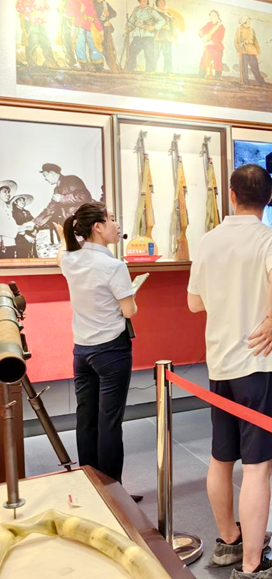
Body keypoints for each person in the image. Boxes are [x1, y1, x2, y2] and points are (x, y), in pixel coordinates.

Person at [187, 164, 272, 579]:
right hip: (260, 363)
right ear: (268, 198)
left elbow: (194, 303)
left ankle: (229, 541)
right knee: (258, 466)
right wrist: (271, 318)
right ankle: (252, 564)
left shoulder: (208, 240)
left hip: (221, 363)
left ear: (231, 195)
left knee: (221, 457)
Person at [56, 203, 138, 493]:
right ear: (98, 227)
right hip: (111, 351)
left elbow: (62, 252)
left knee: (86, 420)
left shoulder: (70, 260)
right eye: (112, 219)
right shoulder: (114, 266)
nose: (117, 224)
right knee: (110, 423)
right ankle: (113, 492)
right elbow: (129, 311)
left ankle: (91, 487)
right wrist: (130, 296)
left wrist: (64, 237)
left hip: (82, 350)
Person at [33, 163, 93, 240]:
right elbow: (50, 209)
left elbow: (84, 196)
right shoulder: (56, 190)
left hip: (83, 223)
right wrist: (34, 222)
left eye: (45, 175)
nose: (45, 179)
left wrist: (62, 198)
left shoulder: (71, 179)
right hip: (72, 226)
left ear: (51, 173)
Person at [15, 0, 59, 69]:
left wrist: (43, 9)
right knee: (32, 44)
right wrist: (31, 10)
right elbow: (19, 7)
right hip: (30, 22)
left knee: (46, 43)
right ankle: (32, 65)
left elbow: (47, 7)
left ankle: (50, 63)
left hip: (40, 22)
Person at [65, 0, 104, 72]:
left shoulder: (90, 2)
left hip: (90, 27)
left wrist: (100, 29)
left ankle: (98, 64)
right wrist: (79, 11)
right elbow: (67, 12)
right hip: (79, 26)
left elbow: (94, 16)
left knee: (94, 44)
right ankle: (83, 64)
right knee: (80, 45)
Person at [126, 0, 165, 73]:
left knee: (149, 54)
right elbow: (131, 20)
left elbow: (162, 21)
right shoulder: (136, 10)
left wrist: (154, 27)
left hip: (148, 36)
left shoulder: (151, 10)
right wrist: (128, 26)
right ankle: (130, 69)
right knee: (132, 52)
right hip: (137, 36)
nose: (143, 1)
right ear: (139, 1)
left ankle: (150, 71)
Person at [92, 0, 118, 72]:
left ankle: (113, 66)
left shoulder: (105, 3)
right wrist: (103, 23)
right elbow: (93, 18)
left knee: (108, 47)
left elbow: (114, 13)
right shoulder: (92, 4)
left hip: (106, 29)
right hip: (96, 29)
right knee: (97, 48)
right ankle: (98, 67)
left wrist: (108, 15)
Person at [235, 16, 265, 85]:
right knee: (244, 68)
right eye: (248, 20)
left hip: (252, 51)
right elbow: (236, 41)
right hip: (243, 51)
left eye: (250, 21)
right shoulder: (239, 29)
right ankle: (246, 82)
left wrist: (258, 52)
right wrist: (238, 50)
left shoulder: (252, 30)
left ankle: (261, 82)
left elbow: (255, 41)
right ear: (245, 21)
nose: (250, 22)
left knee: (255, 68)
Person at [199, 10, 225, 79]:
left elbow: (218, 39)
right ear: (210, 16)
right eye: (211, 15)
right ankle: (201, 75)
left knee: (217, 62)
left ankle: (217, 77)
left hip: (217, 47)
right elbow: (202, 31)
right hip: (208, 47)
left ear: (218, 16)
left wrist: (207, 43)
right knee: (204, 60)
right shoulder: (208, 24)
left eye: (215, 15)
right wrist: (200, 33)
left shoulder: (221, 27)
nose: (213, 16)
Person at [154, 0, 176, 74]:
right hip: (158, 37)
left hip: (167, 38)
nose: (162, 4)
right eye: (160, 3)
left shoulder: (168, 14)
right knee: (155, 54)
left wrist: (174, 36)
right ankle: (151, 70)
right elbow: (153, 25)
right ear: (157, 5)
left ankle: (168, 71)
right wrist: (163, 27)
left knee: (168, 55)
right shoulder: (154, 13)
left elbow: (172, 26)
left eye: (163, 2)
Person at [12, 194, 37, 259]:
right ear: (15, 202)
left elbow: (33, 221)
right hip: (20, 239)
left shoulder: (27, 212)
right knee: (22, 257)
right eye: (20, 200)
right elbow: (14, 227)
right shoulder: (13, 213)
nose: (22, 202)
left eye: (23, 200)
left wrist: (35, 230)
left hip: (31, 237)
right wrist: (25, 236)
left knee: (32, 256)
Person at [0, 182, 20, 259]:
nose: (8, 194)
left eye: (9, 192)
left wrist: (22, 228)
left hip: (10, 243)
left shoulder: (7, 209)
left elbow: (11, 224)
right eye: (5, 192)